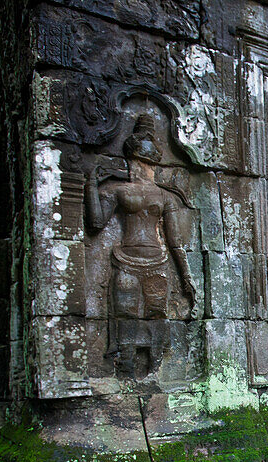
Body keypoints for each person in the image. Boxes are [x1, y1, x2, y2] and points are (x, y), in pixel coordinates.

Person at [85, 114, 199, 377]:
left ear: (154, 163)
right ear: (131, 159)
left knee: (157, 313)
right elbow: (96, 223)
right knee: (124, 313)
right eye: (138, 161)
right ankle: (125, 367)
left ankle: (154, 369)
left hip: (157, 261)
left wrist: (186, 277)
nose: (142, 168)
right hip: (125, 259)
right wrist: (92, 184)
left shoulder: (165, 196)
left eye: (146, 163)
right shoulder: (119, 190)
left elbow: (175, 242)